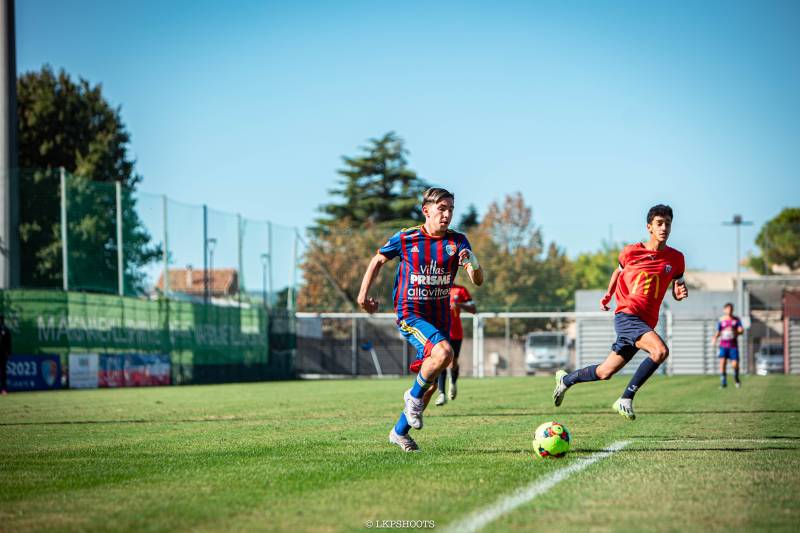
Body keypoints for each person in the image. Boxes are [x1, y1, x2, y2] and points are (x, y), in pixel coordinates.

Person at [357, 187, 484, 451]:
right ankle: (412, 398)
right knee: (444, 354)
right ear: (426, 211)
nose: (447, 214)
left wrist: (472, 262)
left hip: (440, 318)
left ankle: (399, 432)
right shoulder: (407, 237)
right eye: (442, 209)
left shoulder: (458, 241)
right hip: (410, 313)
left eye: (450, 209)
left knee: (430, 381)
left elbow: (477, 280)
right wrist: (362, 296)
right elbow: (377, 260)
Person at [552, 204, 688, 420]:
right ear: (649, 227)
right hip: (628, 316)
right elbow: (618, 272)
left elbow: (678, 283)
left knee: (605, 372)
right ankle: (626, 399)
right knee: (660, 351)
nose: (664, 228)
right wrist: (608, 295)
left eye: (668, 224)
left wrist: (679, 291)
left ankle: (566, 380)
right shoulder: (631, 252)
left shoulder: (676, 258)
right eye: (659, 223)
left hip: (645, 322)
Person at [435, 283, 476, 406]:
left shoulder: (461, 290)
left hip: (456, 333)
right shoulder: (435, 289)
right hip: (440, 332)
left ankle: (453, 381)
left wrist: (459, 305)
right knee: (442, 360)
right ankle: (441, 393)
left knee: (453, 363)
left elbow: (473, 309)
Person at [711, 303, 743, 388]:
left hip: (733, 346)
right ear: (724, 310)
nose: (730, 310)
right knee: (722, 363)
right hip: (723, 345)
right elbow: (718, 332)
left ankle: (736, 378)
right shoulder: (721, 320)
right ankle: (723, 382)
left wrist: (734, 331)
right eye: (728, 309)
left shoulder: (736, 320)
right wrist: (714, 338)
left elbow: (741, 330)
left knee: (735, 364)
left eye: (731, 309)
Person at [0, 314, 11, 395]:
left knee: (3, 372)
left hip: (2, 354)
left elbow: (8, 342)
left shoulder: (5, 330)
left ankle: (3, 389)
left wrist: (8, 352)